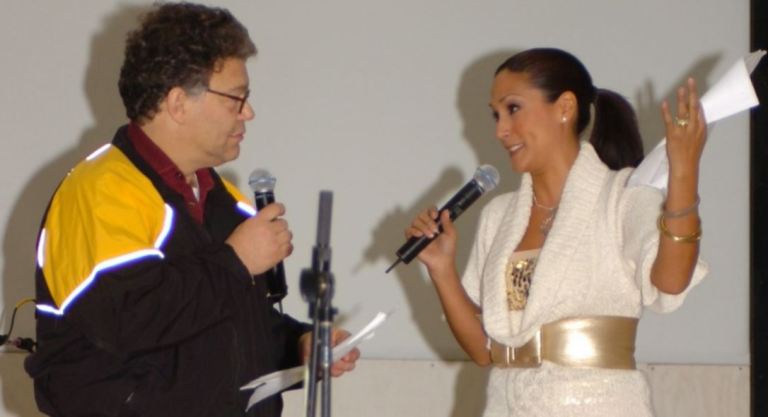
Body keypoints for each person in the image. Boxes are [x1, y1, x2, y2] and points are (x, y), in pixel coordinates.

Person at [24, 4, 358, 417]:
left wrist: (301, 345)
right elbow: (129, 320)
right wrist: (236, 261)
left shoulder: (223, 200)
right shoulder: (101, 190)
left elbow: (228, 329)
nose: (248, 113)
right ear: (178, 103)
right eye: (237, 99)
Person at [406, 48, 708, 416]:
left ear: (565, 107)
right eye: (496, 115)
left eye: (513, 109)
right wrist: (441, 269)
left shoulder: (622, 197)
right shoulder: (498, 216)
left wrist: (684, 173)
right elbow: (484, 352)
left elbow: (672, 281)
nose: (501, 130)